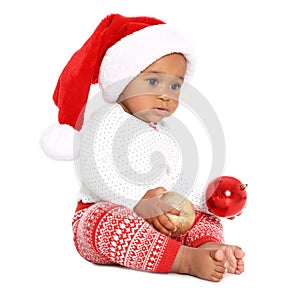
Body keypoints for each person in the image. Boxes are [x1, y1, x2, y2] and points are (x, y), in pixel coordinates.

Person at [40, 14, 245, 282]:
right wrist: (138, 202)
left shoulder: (167, 133)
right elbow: (95, 171)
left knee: (204, 219)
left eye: (175, 85)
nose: (165, 94)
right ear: (123, 81)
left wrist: (210, 200)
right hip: (115, 211)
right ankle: (181, 258)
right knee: (102, 222)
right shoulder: (105, 121)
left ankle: (208, 247)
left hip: (160, 220)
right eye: (152, 82)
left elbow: (178, 182)